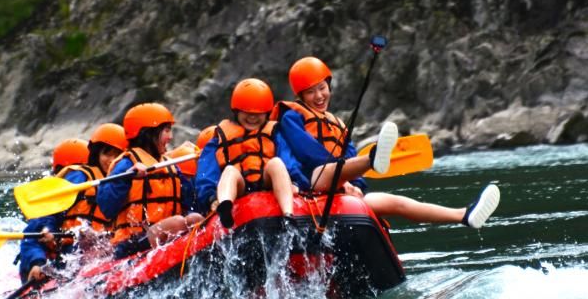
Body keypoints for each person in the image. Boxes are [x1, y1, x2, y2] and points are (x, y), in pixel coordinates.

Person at [275, 56, 500, 228]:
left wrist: (356, 186)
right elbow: (305, 153)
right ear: (300, 96)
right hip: (311, 186)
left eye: (322, 88)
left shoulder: (339, 124)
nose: (319, 96)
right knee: (322, 171)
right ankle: (373, 158)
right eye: (311, 92)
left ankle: (464, 215)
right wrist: (339, 181)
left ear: (329, 85)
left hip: (343, 194)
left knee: (396, 203)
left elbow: (351, 160)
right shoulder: (291, 116)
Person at [194, 78, 310, 228]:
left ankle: (288, 214)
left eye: (258, 113)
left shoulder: (274, 132)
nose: (252, 117)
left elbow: (288, 158)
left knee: (276, 163)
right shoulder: (220, 137)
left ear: (267, 113)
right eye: (247, 112)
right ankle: (224, 206)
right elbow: (207, 170)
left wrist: (296, 181)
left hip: (266, 180)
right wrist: (210, 197)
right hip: (240, 187)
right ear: (236, 110)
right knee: (230, 170)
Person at [17, 124, 127, 282]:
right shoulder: (80, 178)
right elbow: (38, 226)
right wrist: (37, 262)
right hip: (69, 256)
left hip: (99, 252)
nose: (111, 160)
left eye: (117, 155)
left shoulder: (120, 183)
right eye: (106, 154)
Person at [96, 102, 203, 258]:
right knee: (179, 222)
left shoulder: (169, 164)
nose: (170, 137)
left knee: (195, 218)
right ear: (148, 133)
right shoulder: (126, 164)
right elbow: (106, 207)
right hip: (131, 243)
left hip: (165, 233)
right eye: (166, 131)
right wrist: (127, 178)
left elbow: (191, 201)